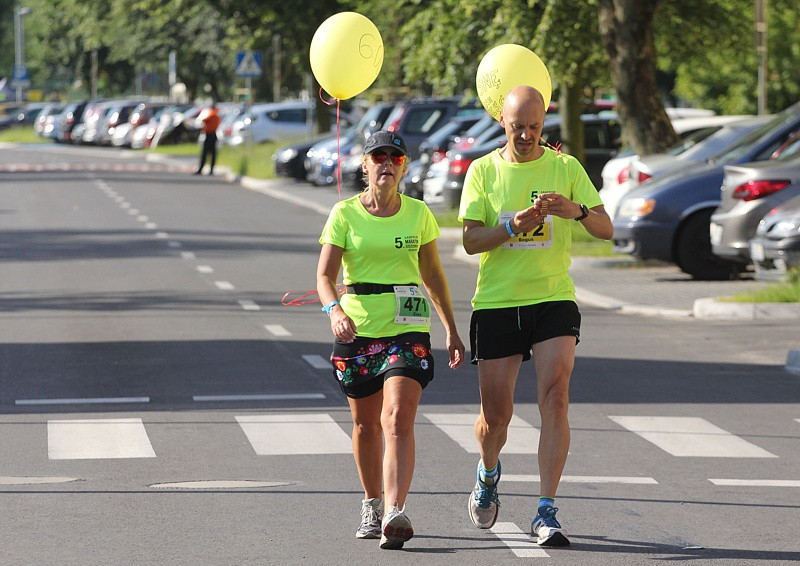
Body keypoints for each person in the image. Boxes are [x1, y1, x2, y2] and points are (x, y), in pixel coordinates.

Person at [458, 85, 613, 547]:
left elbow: (606, 229)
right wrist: (512, 226)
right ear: (501, 123)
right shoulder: (482, 170)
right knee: (496, 417)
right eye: (517, 127)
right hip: (498, 303)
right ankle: (488, 472)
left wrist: (576, 210)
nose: (526, 136)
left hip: (553, 299)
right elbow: (469, 240)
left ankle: (546, 509)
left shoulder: (565, 167)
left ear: (544, 124)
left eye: (535, 127)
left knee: (556, 398)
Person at [317, 130, 465, 550]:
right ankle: (372, 502)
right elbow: (324, 277)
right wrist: (335, 311)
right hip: (357, 329)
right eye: (377, 156)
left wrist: (451, 329)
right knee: (365, 425)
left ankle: (396, 510)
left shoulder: (418, 214)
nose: (386, 163)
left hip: (408, 329)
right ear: (364, 165)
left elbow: (433, 274)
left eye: (395, 158)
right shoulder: (344, 213)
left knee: (396, 417)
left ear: (403, 167)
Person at [195, 103, 221, 175]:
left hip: (209, 135)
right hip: (213, 134)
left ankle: (201, 169)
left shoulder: (212, 114)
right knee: (213, 153)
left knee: (205, 153)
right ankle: (211, 170)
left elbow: (205, 120)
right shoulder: (217, 115)